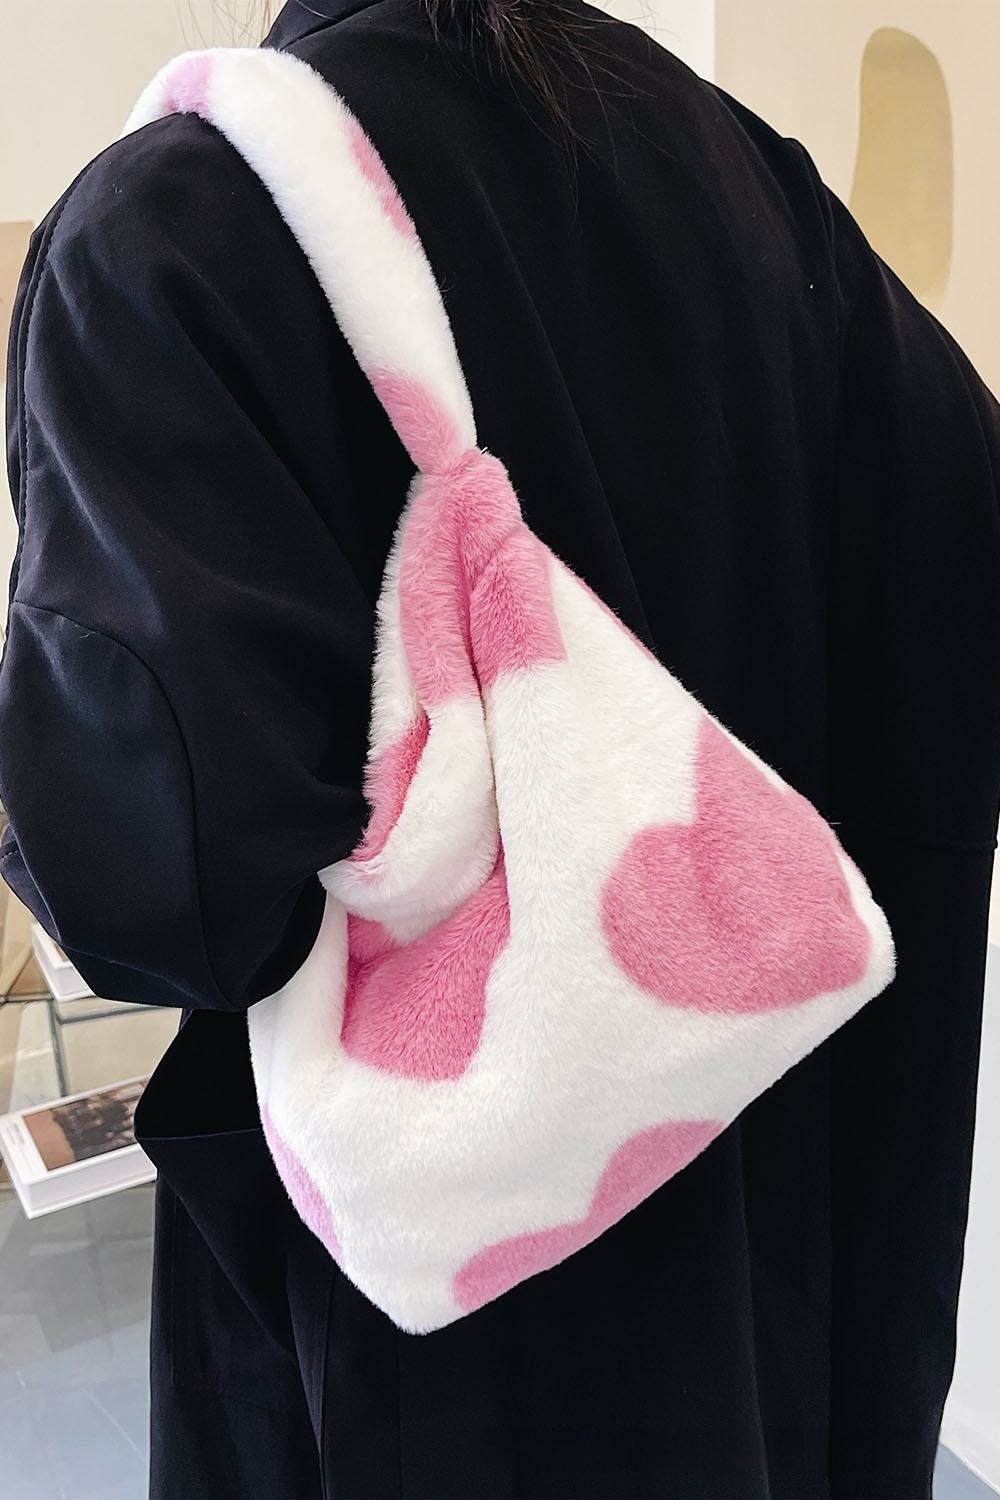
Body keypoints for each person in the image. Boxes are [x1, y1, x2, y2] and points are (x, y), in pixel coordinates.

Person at [2, 1, 999, 1495]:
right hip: (798, 1277)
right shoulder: (761, 188)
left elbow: (166, 898)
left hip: (451, 1349)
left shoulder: (186, 222)